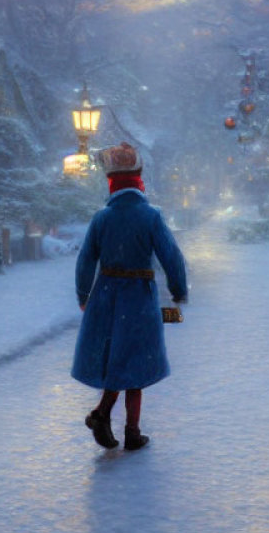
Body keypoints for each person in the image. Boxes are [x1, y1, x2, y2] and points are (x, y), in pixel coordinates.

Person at [71, 142, 188, 451]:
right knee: (135, 360)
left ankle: (105, 416)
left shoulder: (102, 218)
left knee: (115, 359)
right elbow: (171, 257)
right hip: (139, 297)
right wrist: (178, 289)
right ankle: (129, 430)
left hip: (106, 297)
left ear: (112, 184)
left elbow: (85, 260)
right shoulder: (150, 216)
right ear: (138, 181)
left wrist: (84, 294)